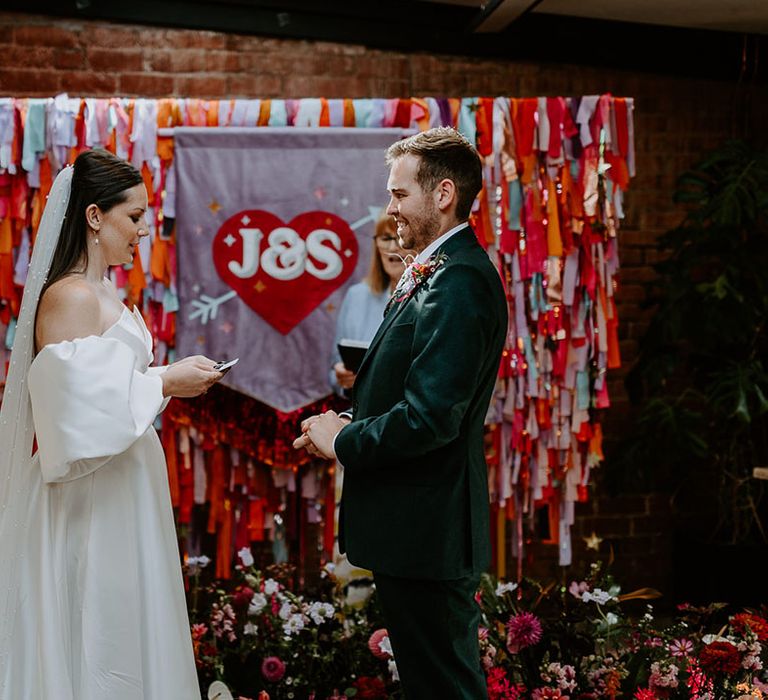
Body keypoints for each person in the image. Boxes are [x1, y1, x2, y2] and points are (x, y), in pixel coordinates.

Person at [294, 127, 508, 699]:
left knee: (444, 686)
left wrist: (344, 442)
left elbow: (431, 418)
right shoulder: (436, 271)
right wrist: (341, 422)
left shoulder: (459, 281)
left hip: (427, 527)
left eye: (398, 194)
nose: (390, 210)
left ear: (443, 194)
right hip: (413, 527)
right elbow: (406, 393)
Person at [0, 149, 222, 699]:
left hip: (122, 484)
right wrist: (164, 382)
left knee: (127, 618)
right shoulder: (70, 296)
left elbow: (114, 389)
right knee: (97, 626)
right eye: (135, 216)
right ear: (95, 216)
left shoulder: (105, 294)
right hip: (88, 497)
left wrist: (162, 379)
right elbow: (70, 412)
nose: (144, 230)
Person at [330, 212, 413, 396]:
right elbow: (334, 368)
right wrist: (342, 377)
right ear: (376, 244)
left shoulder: (430, 297)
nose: (393, 247)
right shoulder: (356, 296)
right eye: (385, 238)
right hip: (359, 412)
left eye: (399, 237)